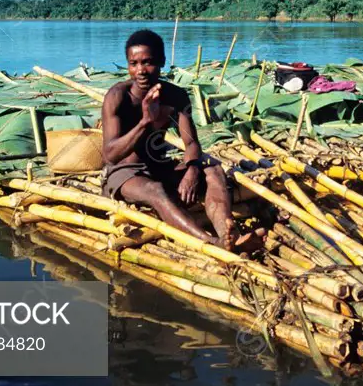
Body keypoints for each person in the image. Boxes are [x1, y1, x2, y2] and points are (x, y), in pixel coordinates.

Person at [100, 29, 259, 251]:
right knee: (156, 190)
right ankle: (211, 242)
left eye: (148, 62)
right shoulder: (118, 97)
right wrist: (146, 121)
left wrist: (193, 170)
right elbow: (110, 154)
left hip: (159, 166)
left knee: (214, 171)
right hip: (124, 173)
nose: (140, 71)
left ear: (162, 61)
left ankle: (226, 232)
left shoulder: (175, 96)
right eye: (133, 63)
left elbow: (191, 143)